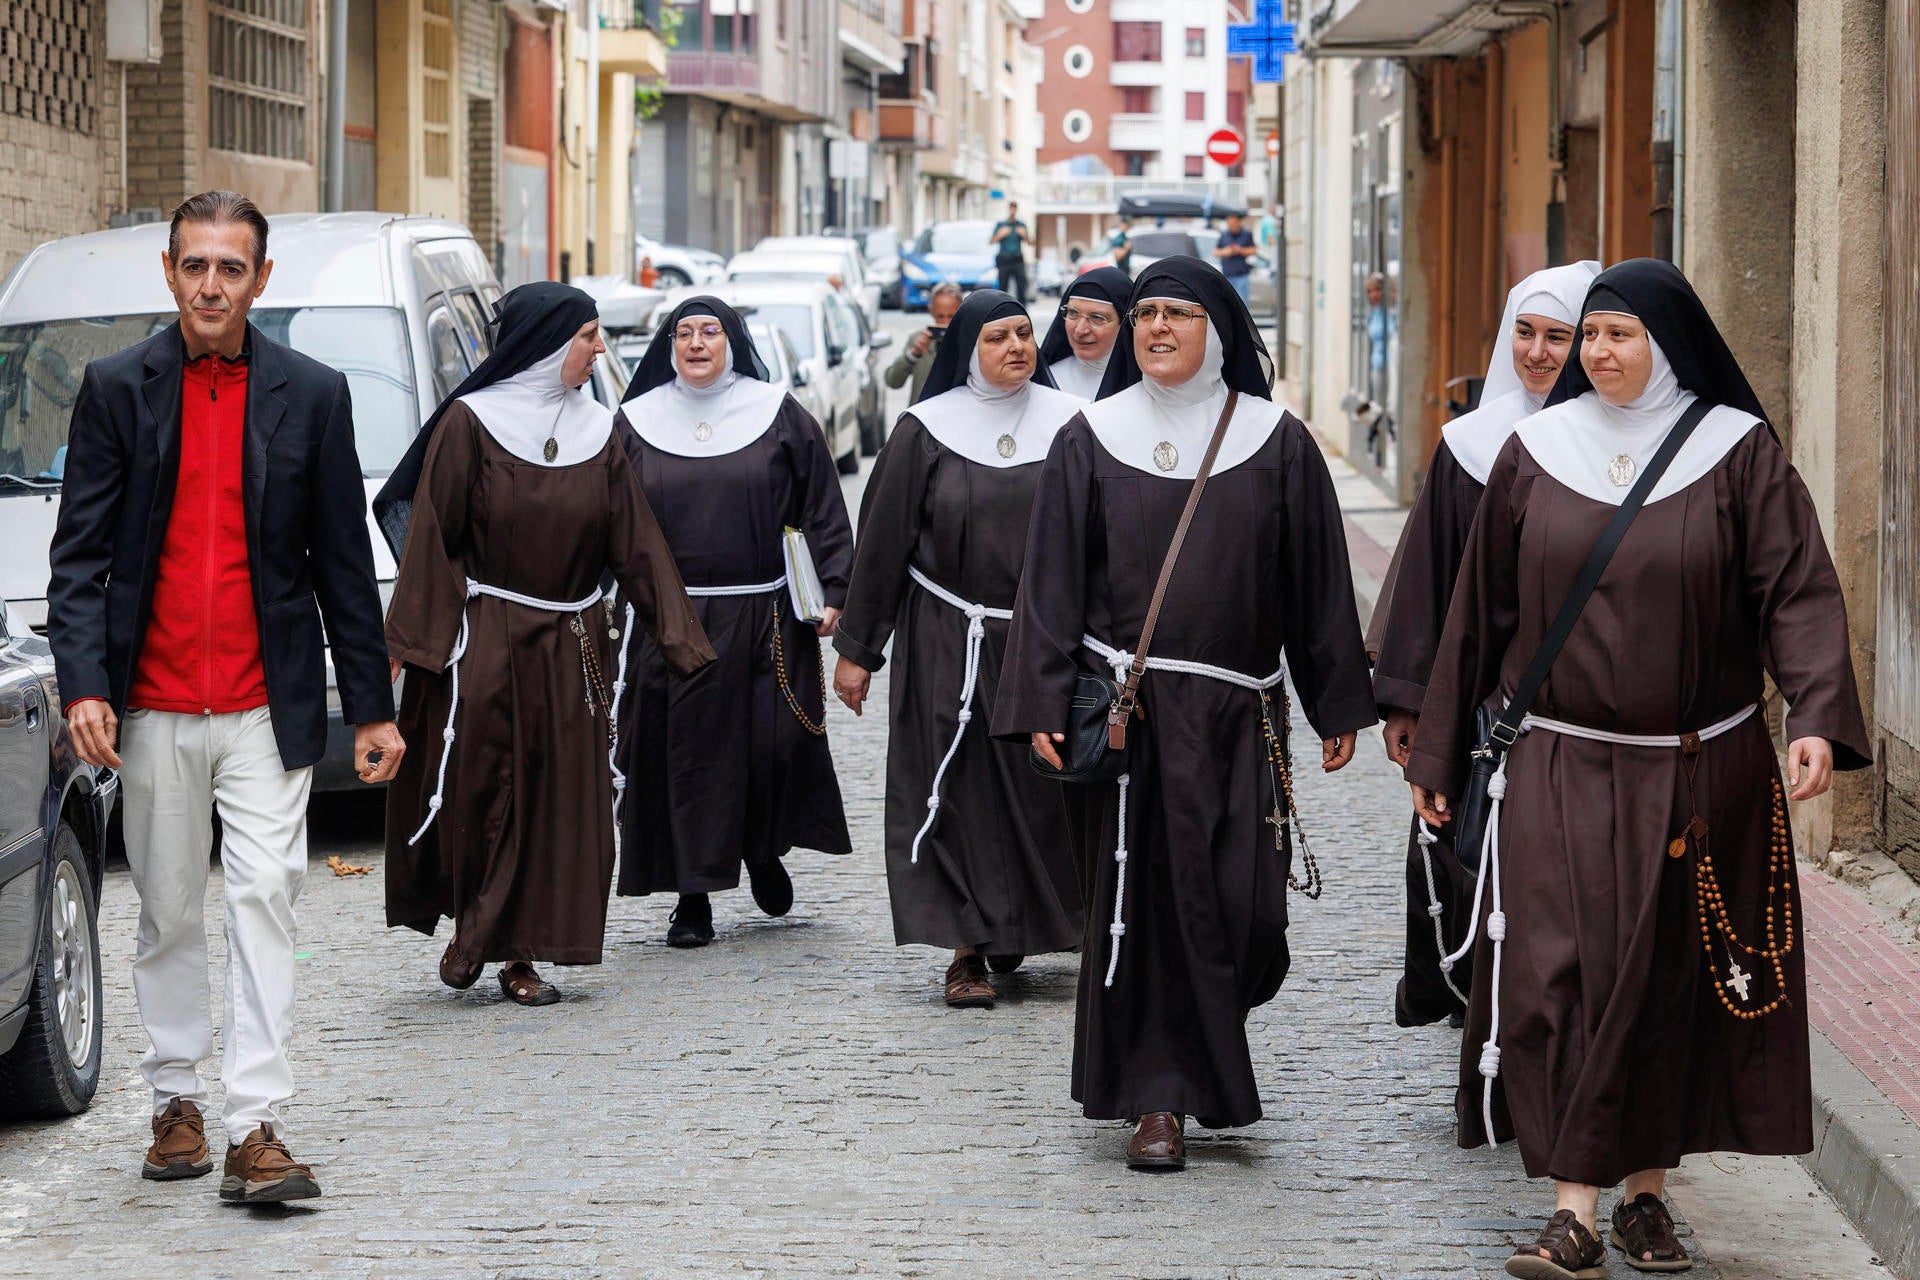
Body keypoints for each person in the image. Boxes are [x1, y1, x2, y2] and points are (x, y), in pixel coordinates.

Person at [1405, 259, 1871, 1278]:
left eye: (1620, 335)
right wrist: (1437, 747)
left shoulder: (1735, 453)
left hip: (1698, 771)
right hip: (1561, 767)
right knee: (1555, 978)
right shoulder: (1535, 452)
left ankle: (1645, 1198)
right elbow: (1477, 616)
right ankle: (1574, 1209)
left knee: (1669, 985)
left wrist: (1817, 716)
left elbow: (1796, 590)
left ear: (1669, 342)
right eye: (1589, 336)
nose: (1598, 354)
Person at [47, 191, 403, 1203]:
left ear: (260, 280)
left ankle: (254, 1122)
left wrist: (371, 709)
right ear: (169, 273)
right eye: (195, 265)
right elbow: (78, 559)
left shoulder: (315, 393)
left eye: (231, 267)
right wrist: (85, 685)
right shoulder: (118, 388)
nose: (212, 283)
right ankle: (176, 1102)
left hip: (264, 704)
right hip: (151, 703)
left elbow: (342, 560)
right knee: (165, 911)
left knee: (261, 896)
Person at [992, 258, 1376, 1171]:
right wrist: (1043, 692)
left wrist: (1337, 700)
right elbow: (1048, 581)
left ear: (1221, 328)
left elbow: (1317, 583)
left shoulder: (1276, 441)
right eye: (1146, 313)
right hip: (1134, 716)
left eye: (1178, 313)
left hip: (1241, 715)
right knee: (1150, 906)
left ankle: (1203, 1028)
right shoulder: (1090, 438)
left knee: (1248, 914)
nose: (1157, 327)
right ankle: (1158, 1101)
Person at [375, 283, 713, 1007]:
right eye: (589, 335)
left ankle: (520, 956)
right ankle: (475, 929)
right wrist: (409, 643)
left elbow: (637, 541)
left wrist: (682, 640)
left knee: (559, 798)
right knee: (489, 788)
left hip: (574, 639)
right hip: (489, 635)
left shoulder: (599, 430)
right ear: (548, 344)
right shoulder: (472, 423)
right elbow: (433, 534)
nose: (599, 349)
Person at [831, 291, 1086, 1009]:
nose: (1017, 347)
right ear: (967, 348)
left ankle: (1029, 927)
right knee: (957, 789)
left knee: (1045, 788)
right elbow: (881, 545)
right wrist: (858, 649)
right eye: (998, 336)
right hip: (950, 634)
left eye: (1025, 333)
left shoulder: (1072, 426)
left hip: (1044, 638)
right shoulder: (926, 430)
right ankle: (966, 949)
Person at [1370, 261, 1599, 1031]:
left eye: (1559, 337)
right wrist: (1406, 703)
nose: (1539, 353)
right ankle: (1483, 1014)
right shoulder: (1469, 446)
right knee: (1471, 862)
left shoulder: (1626, 449)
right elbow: (1428, 584)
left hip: (1587, 699)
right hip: (1480, 705)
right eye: (1525, 334)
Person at [614, 298, 857, 947]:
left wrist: (835, 586)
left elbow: (822, 504)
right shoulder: (634, 423)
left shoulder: (777, 413)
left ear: (732, 342)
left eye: (709, 331)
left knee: (768, 747)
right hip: (672, 619)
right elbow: (603, 518)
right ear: (668, 344)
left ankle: (761, 849)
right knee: (689, 758)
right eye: (683, 332)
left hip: (766, 614)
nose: (696, 343)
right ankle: (693, 897)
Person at [1039, 267, 1131, 400]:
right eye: (1073, 313)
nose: (1080, 330)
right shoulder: (1045, 382)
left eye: (1097, 317)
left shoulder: (1148, 385)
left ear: (1124, 324)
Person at [885, 281, 962, 404]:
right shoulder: (918, 339)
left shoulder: (970, 341)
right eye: (940, 316)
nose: (946, 322)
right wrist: (913, 354)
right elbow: (893, 381)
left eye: (951, 316)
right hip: (923, 418)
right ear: (931, 311)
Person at [1212, 213, 1258, 305]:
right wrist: (1226, 251)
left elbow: (1253, 250)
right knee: (1228, 303)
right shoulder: (1224, 235)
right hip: (1227, 275)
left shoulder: (1246, 234)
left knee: (1242, 303)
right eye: (1229, 224)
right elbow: (1215, 252)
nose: (1231, 227)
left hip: (1242, 275)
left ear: (1238, 222)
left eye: (1233, 224)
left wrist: (1239, 250)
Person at [990, 202, 1031, 304]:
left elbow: (1030, 242)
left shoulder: (1020, 225)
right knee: (1003, 287)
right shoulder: (1001, 225)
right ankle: (1001, 308)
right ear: (1008, 209)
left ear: (1016, 210)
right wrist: (1001, 234)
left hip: (1017, 259)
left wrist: (1024, 235)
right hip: (1004, 259)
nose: (1012, 211)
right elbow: (991, 241)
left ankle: (1022, 309)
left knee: (1021, 286)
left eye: (1014, 209)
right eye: (1011, 208)